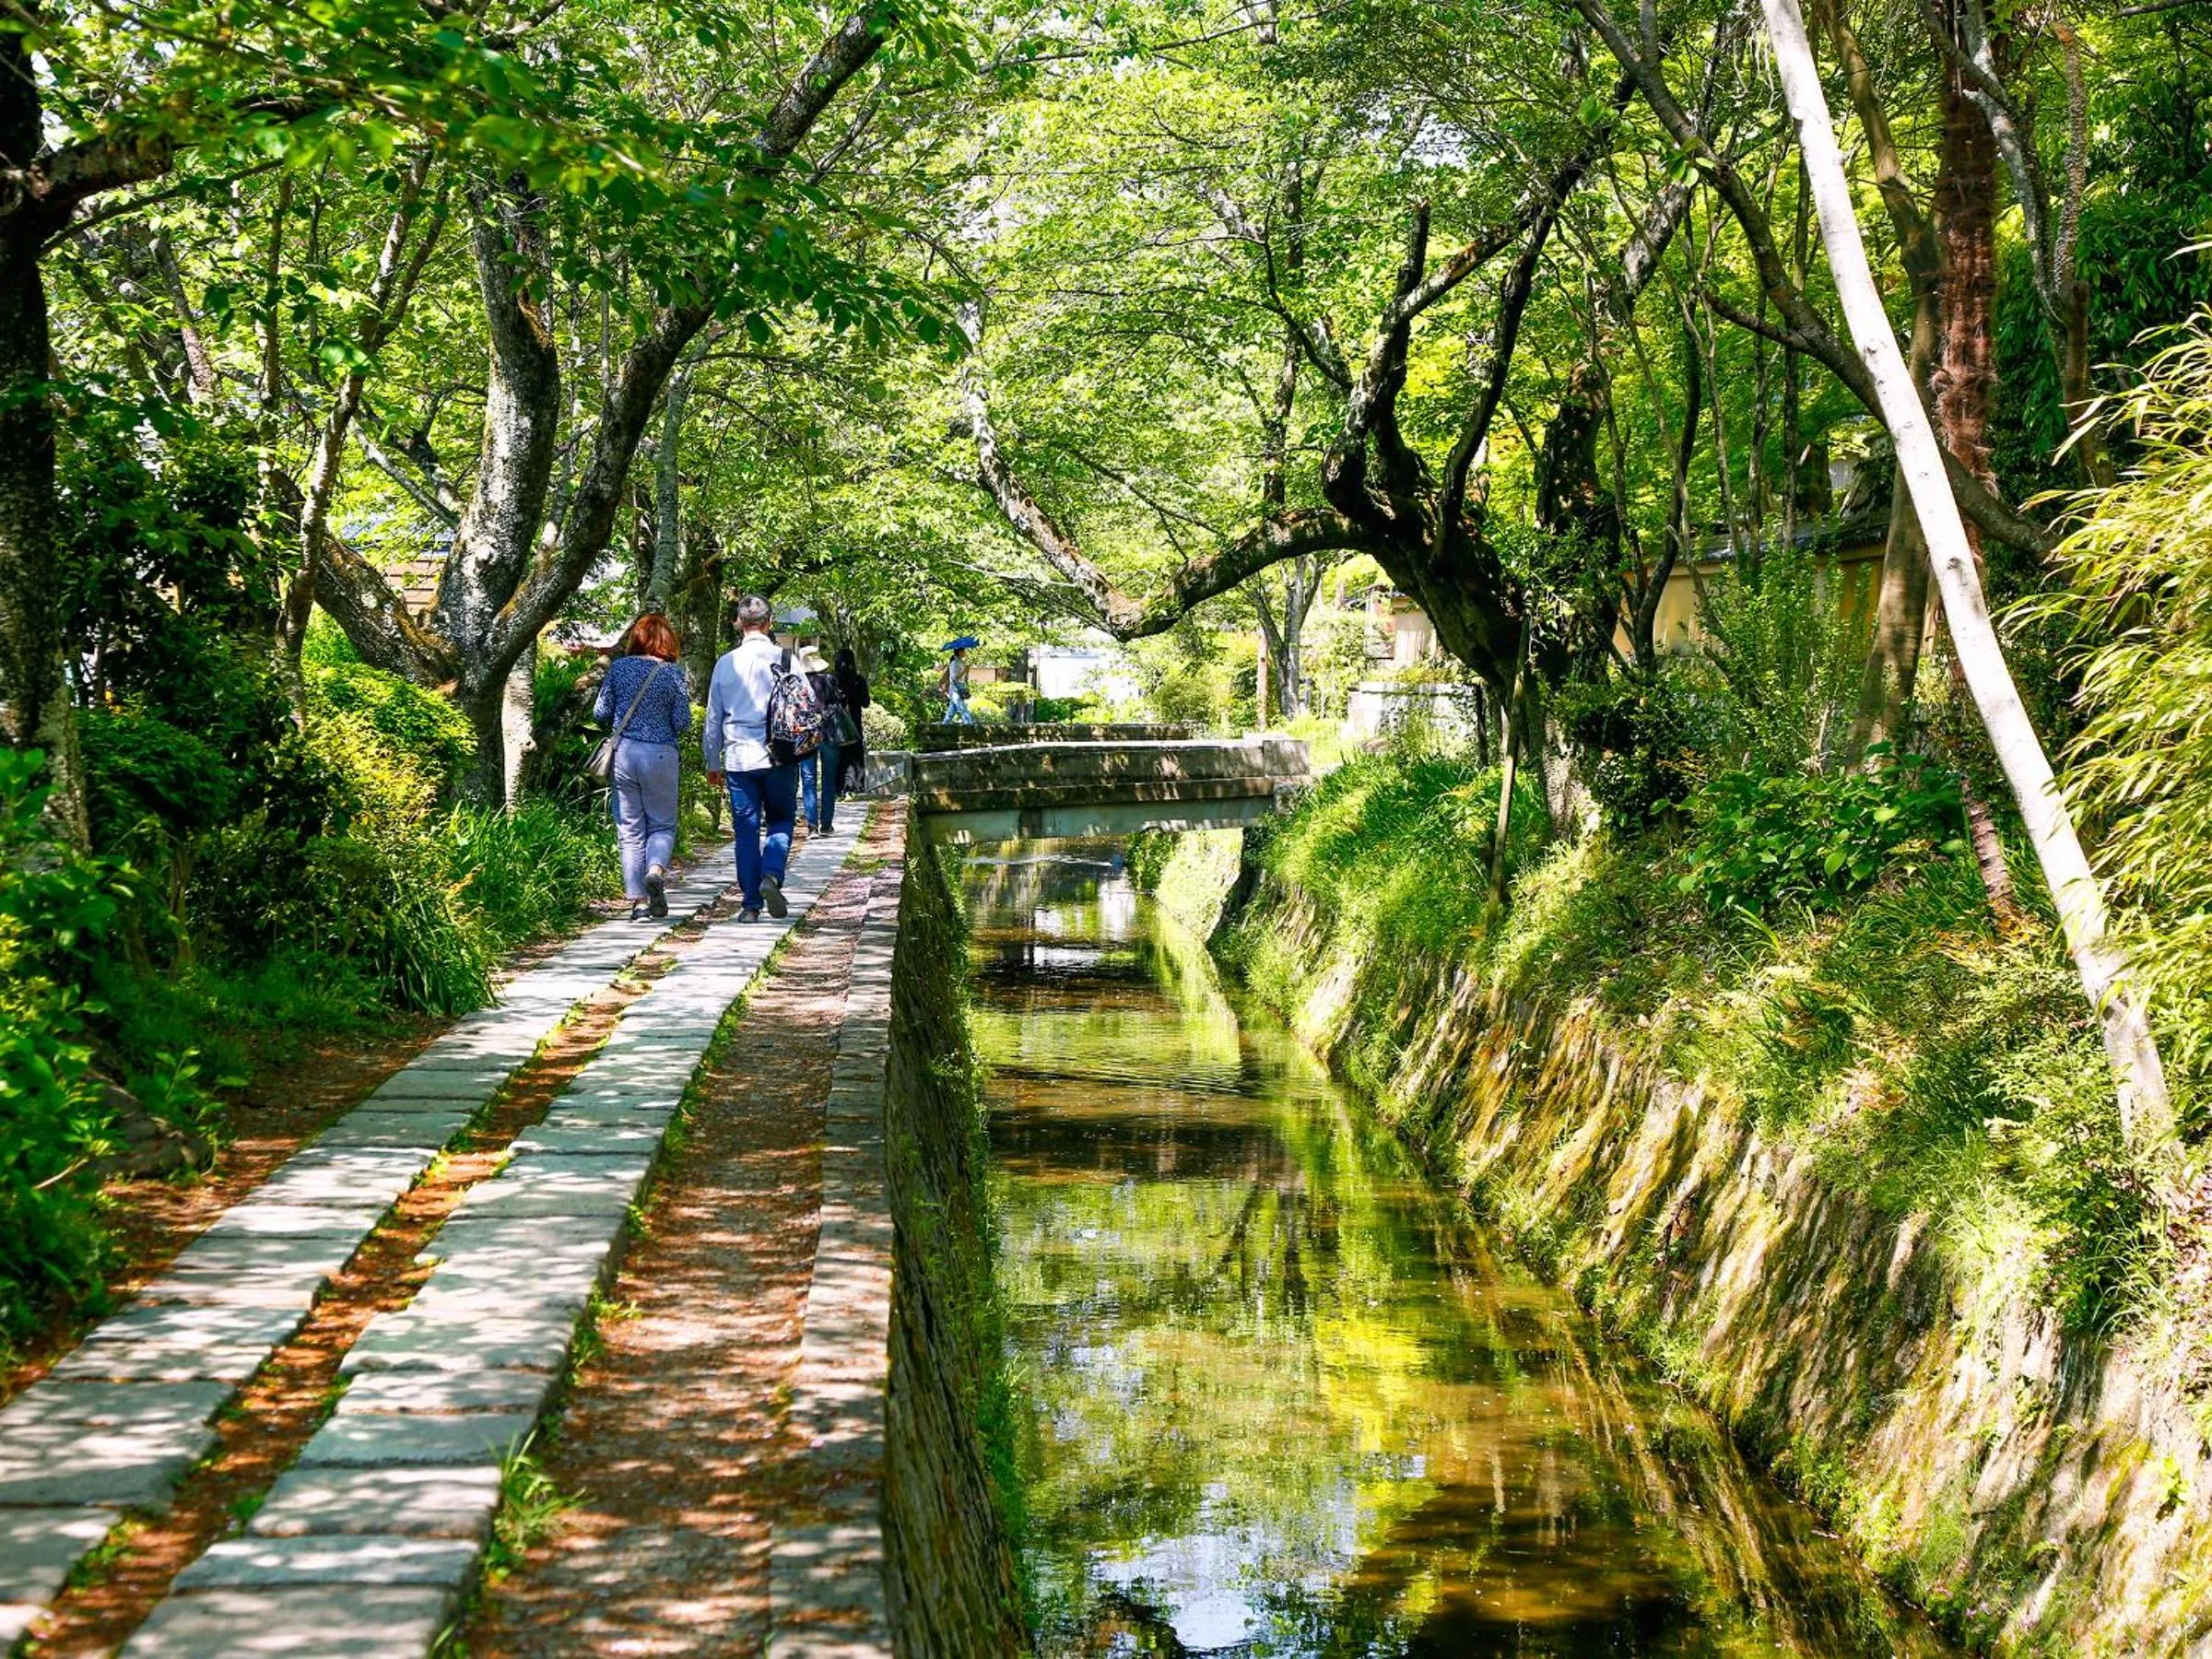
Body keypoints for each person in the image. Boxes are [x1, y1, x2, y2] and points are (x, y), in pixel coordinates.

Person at [703, 594, 799, 922]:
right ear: (770, 623)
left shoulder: (725, 663)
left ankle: (749, 906)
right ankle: (771, 875)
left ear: (738, 623)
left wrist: (712, 762)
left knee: (745, 832)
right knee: (781, 819)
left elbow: (713, 718)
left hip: (739, 759)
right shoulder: (787, 659)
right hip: (780, 756)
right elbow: (808, 704)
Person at [594, 613, 691, 923]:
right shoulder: (672, 673)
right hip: (661, 754)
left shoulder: (619, 668)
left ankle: (638, 904)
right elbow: (683, 722)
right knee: (662, 824)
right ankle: (655, 870)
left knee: (630, 830)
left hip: (623, 754)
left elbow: (600, 712)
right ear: (667, 640)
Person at [796, 645, 843, 835]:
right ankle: (826, 823)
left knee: (808, 780)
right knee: (828, 780)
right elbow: (840, 704)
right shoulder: (830, 680)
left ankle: (812, 826)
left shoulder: (799, 683)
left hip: (807, 735)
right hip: (829, 735)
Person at [833, 646, 871, 797]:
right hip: (854, 725)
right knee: (856, 757)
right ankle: (857, 787)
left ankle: (839, 788)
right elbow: (866, 702)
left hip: (837, 727)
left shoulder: (833, 680)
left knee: (839, 758)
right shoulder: (858, 680)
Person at [940, 644, 979, 724]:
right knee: (961, 706)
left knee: (952, 709)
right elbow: (955, 677)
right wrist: (965, 670)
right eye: (964, 651)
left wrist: (967, 671)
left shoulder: (961, 662)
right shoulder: (954, 663)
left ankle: (945, 724)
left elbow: (964, 677)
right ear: (960, 652)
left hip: (961, 686)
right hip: (955, 688)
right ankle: (969, 724)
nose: (965, 652)